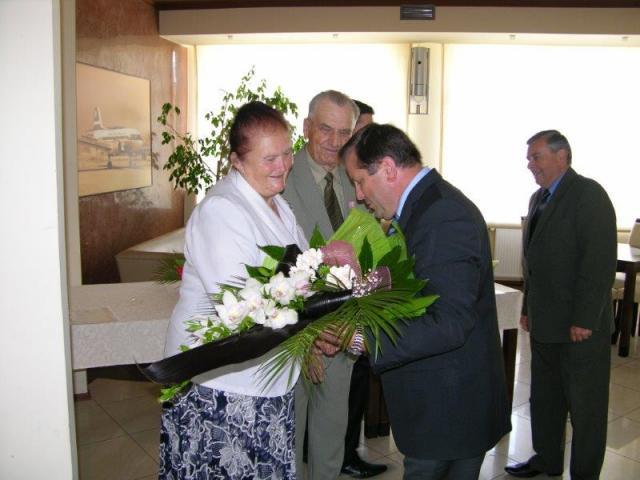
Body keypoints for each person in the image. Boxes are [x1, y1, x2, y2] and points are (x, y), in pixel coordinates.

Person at [337, 123, 511, 480]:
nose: (359, 194)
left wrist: (364, 339)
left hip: (449, 412)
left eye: (360, 181)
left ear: (388, 168)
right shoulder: (424, 207)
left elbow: (449, 322)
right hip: (440, 407)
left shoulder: (443, 216)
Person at [160, 101, 307, 479]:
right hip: (222, 382)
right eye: (269, 158)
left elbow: (303, 275)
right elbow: (241, 308)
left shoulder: (278, 204)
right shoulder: (221, 210)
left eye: (287, 153)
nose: (283, 165)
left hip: (265, 373)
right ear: (237, 162)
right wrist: (310, 317)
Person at [504, 130, 617, 480]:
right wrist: (528, 309)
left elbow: (598, 262)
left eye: (536, 156)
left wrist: (584, 318)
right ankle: (547, 460)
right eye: (529, 157)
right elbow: (534, 264)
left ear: (562, 156)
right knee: (545, 399)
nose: (529, 164)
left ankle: (584, 473)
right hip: (545, 322)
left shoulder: (589, 195)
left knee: (585, 408)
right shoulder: (538, 198)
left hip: (579, 327)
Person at [283, 90, 384, 480]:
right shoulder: (280, 176)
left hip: (341, 336)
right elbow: (269, 263)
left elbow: (372, 249)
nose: (335, 141)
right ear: (307, 127)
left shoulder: (356, 178)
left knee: (330, 443)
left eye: (344, 132)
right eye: (325, 129)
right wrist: (304, 333)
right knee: (289, 443)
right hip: (295, 341)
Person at [340, 99, 388, 479]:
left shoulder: (370, 176)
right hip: (332, 297)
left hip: (364, 295)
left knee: (358, 381)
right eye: (360, 130)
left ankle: (348, 453)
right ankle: (337, 454)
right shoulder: (341, 174)